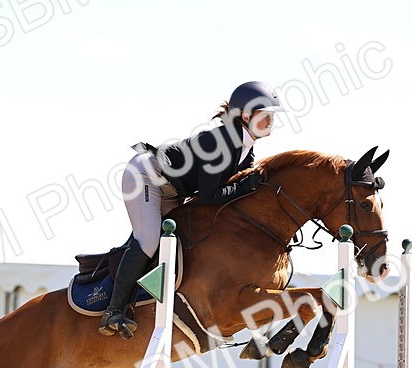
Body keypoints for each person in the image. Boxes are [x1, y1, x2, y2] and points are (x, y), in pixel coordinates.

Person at [99, 80, 283, 338]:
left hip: (172, 189)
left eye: (272, 114)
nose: (271, 120)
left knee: (179, 240)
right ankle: (114, 311)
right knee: (150, 239)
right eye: (265, 114)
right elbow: (209, 196)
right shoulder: (220, 143)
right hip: (147, 175)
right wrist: (244, 187)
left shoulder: (245, 150)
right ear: (245, 115)